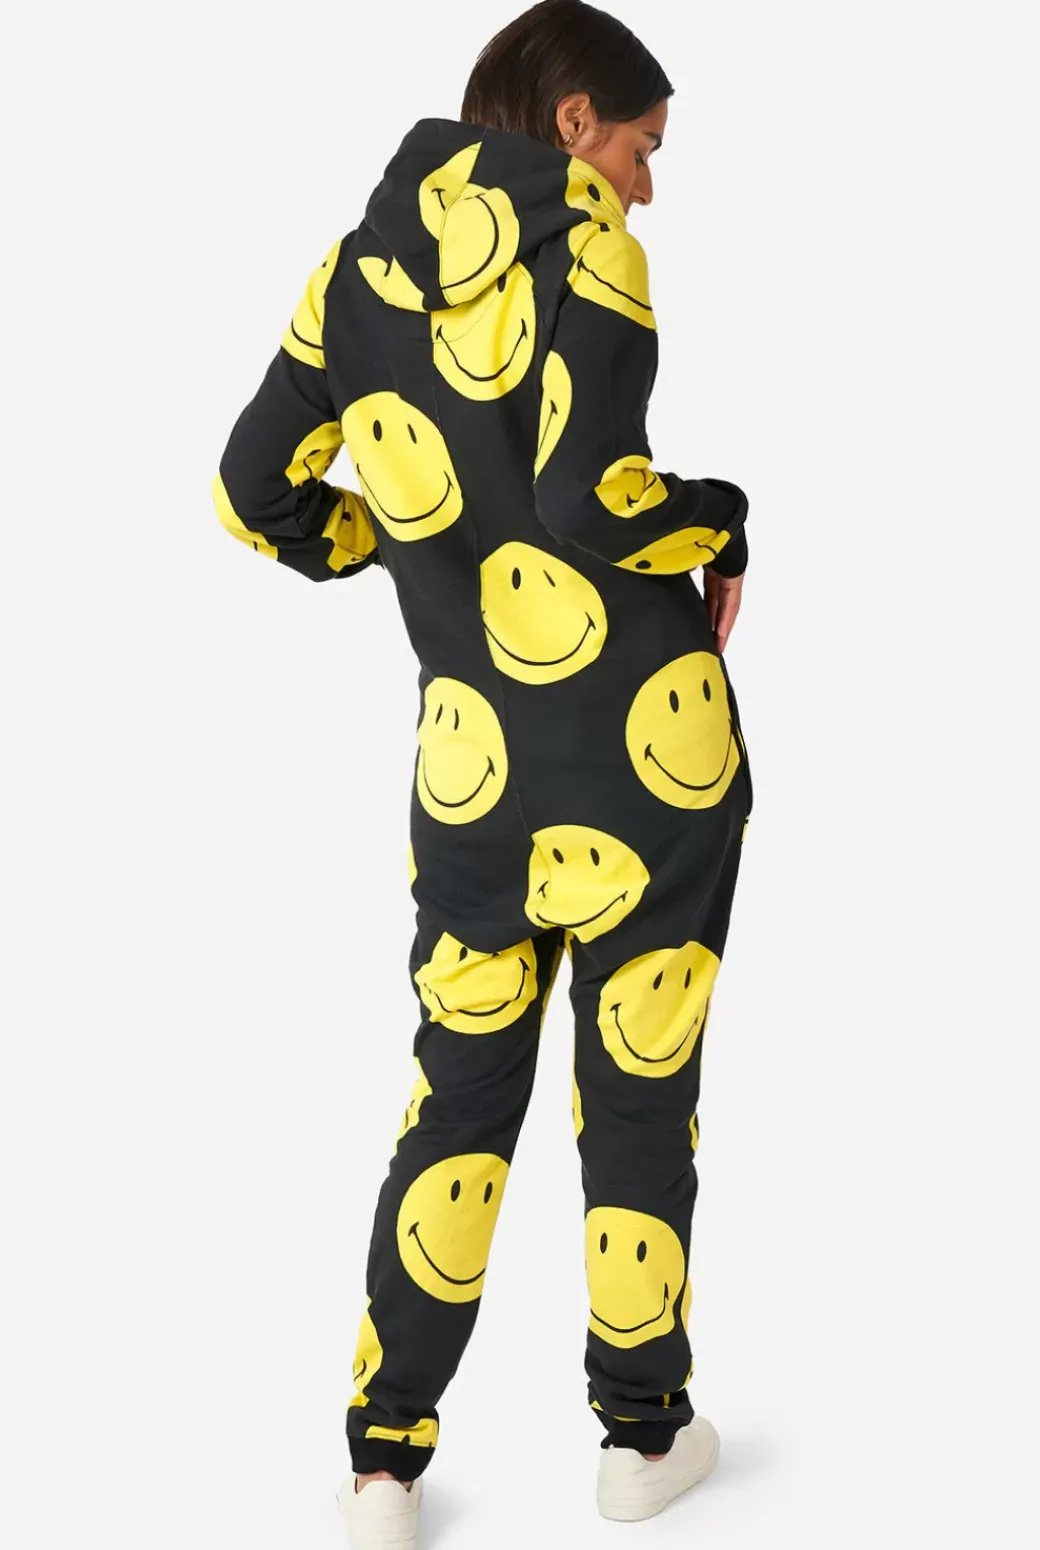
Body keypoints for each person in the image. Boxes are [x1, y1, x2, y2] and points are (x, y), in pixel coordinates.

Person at [213, 2, 752, 1543]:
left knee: (456, 1094)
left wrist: (404, 547)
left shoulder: (352, 276)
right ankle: (641, 1439)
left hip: (475, 780)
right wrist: (725, 517)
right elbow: (596, 499)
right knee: (636, 1092)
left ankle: (384, 1464)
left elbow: (250, 491)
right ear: (575, 122)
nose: (647, 183)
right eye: (643, 146)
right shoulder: (592, 246)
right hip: (651, 769)